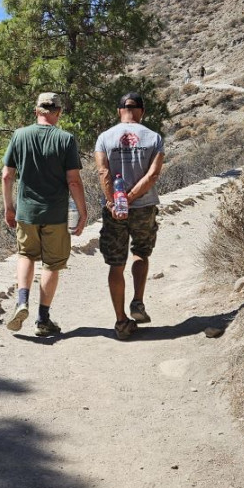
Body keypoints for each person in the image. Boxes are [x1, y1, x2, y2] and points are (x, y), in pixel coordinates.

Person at [2, 92, 88, 336]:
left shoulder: (19, 136)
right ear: (58, 112)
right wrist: (82, 212)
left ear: (36, 111)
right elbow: (74, 182)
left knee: (26, 255)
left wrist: (9, 207)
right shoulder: (66, 139)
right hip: (56, 214)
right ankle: (42, 319)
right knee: (52, 264)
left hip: (27, 212)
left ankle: (21, 301)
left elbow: (7, 175)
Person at [94, 92, 165, 340]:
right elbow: (153, 175)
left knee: (116, 263)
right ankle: (137, 302)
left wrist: (115, 202)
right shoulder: (154, 138)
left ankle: (121, 323)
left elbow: (103, 172)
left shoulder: (105, 137)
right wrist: (132, 197)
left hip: (114, 210)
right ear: (141, 111)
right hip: (144, 206)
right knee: (141, 253)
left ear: (119, 111)